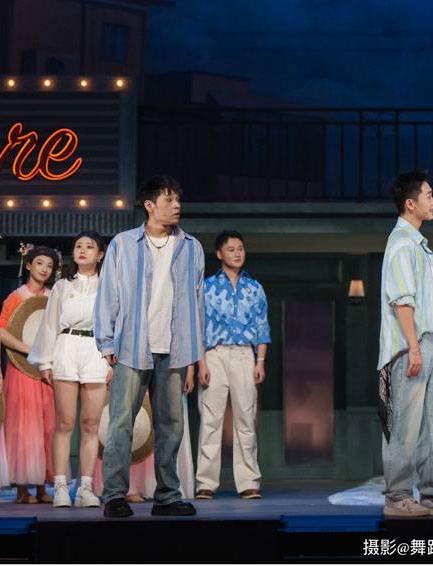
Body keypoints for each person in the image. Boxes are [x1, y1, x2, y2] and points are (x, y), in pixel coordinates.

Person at [95, 175, 206, 519]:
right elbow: (108, 294)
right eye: (169, 199)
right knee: (121, 423)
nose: (177, 205)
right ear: (149, 205)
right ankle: (115, 495)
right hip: (131, 346)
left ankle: (167, 497)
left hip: (175, 348)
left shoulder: (191, 246)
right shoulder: (123, 244)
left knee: (171, 424)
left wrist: (195, 353)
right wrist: (106, 341)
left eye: (178, 199)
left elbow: (198, 302)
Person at [377, 171, 433, 518]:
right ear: (410, 203)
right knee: (405, 426)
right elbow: (402, 300)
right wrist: (413, 347)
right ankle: (397, 497)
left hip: (429, 342)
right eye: (429, 195)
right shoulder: (402, 244)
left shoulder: (418, 244)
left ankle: (432, 493)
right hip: (409, 347)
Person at [28, 232, 111, 509]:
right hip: (66, 349)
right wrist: (46, 362)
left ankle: (85, 487)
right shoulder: (63, 285)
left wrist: (112, 360)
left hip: (96, 352)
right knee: (64, 423)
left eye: (90, 247)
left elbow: (116, 324)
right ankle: (61, 486)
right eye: (78, 246)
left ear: (100, 254)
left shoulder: (109, 285)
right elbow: (50, 324)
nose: (83, 250)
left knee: (91, 425)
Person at [194, 230, 271, 500]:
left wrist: (260, 361)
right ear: (219, 254)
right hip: (214, 355)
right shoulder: (207, 287)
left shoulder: (254, 288)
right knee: (210, 420)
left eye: (240, 249)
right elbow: (198, 328)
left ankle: (249, 481)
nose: (237, 254)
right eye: (231, 249)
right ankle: (205, 483)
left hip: (244, 356)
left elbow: (262, 328)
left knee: (246, 420)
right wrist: (201, 363)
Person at [0, 244, 59, 503]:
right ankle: (22, 489)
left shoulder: (54, 297)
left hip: (48, 369)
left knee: (48, 425)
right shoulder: (16, 297)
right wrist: (30, 349)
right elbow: (0, 331)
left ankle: (43, 488)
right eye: (39, 263)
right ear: (28, 265)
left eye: (49, 265)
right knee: (25, 427)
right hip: (21, 368)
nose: (44, 269)